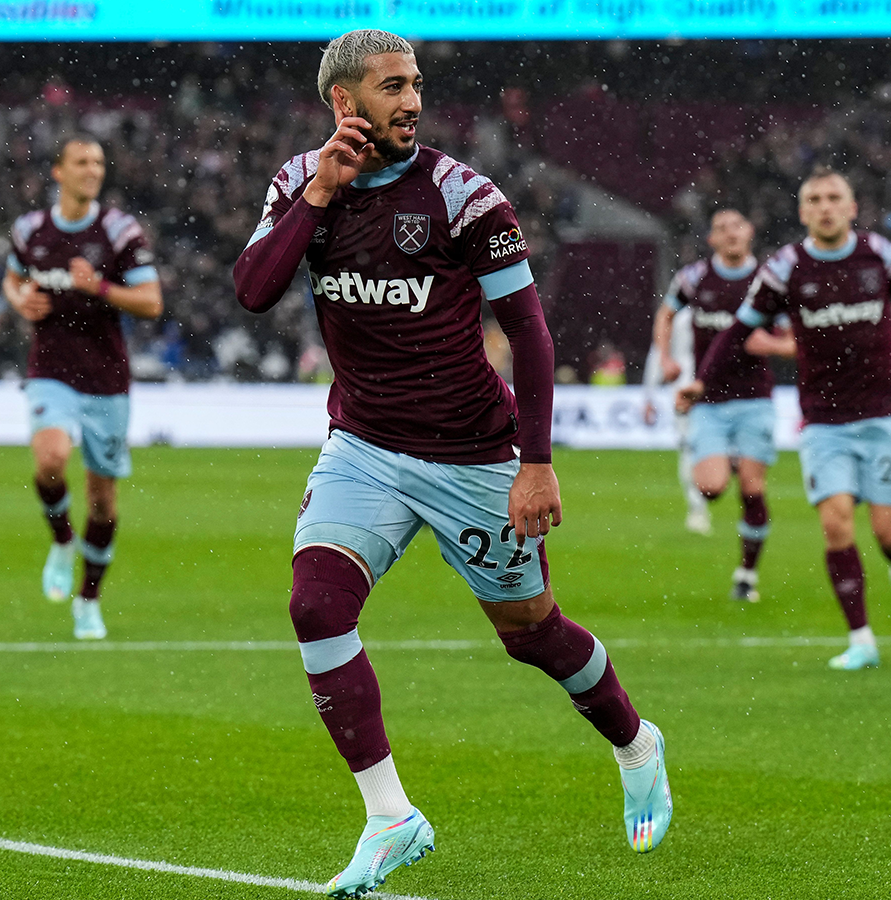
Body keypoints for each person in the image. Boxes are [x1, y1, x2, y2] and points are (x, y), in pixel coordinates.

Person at [232, 29, 671, 898]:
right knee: (315, 606)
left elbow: (532, 336)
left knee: (533, 635)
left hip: (474, 454)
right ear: (344, 102)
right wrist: (320, 192)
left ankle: (633, 741)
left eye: (417, 84)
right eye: (392, 86)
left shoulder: (465, 198)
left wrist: (535, 463)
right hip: (363, 446)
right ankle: (392, 817)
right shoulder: (296, 182)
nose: (413, 100)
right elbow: (253, 288)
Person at [679, 168, 891, 670]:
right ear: (802, 212)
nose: (825, 206)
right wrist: (701, 381)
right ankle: (861, 638)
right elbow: (737, 331)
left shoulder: (879, 255)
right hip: (822, 419)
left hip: (884, 412)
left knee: (889, 534)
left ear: (852, 207)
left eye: (834, 197)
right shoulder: (785, 268)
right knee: (836, 522)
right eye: (814, 199)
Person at [1, 137, 163, 640]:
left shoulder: (118, 230)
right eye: (82, 162)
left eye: (98, 162)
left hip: (106, 379)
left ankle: (88, 597)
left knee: (102, 500)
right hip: (50, 369)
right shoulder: (30, 229)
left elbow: (151, 301)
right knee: (49, 459)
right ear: (58, 171)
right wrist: (20, 299)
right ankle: (60, 540)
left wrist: (98, 287)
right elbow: (12, 278)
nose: (93, 170)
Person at [649, 209, 792, 600]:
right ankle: (729, 459)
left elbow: (800, 340)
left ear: (750, 232)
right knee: (711, 488)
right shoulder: (694, 278)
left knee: (751, 490)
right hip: (708, 399)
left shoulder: (768, 281)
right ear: (711, 239)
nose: (730, 234)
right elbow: (665, 315)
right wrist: (666, 359)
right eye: (721, 229)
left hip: (754, 398)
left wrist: (774, 345)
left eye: (737, 226)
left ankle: (747, 576)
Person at [642, 293, 710, 533]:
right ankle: (697, 507)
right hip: (690, 389)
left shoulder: (681, 316)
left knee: (692, 448)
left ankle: (699, 508)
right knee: (690, 448)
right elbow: (659, 353)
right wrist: (649, 395)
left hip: (707, 388)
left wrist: (649, 396)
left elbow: (657, 353)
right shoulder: (681, 317)